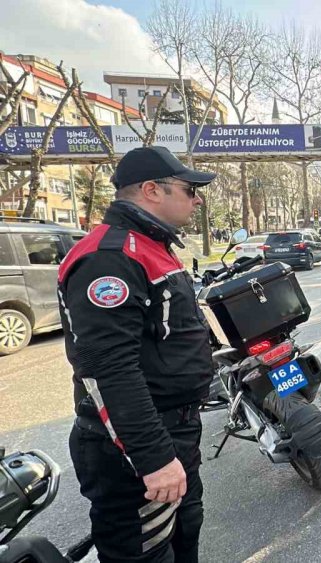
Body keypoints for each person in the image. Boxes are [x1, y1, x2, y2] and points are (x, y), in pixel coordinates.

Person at [58, 146, 216, 561]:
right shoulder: (110, 257)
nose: (197, 198)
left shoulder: (151, 245)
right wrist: (154, 457)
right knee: (145, 552)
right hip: (132, 448)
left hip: (175, 430)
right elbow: (108, 369)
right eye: (189, 189)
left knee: (184, 537)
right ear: (151, 190)